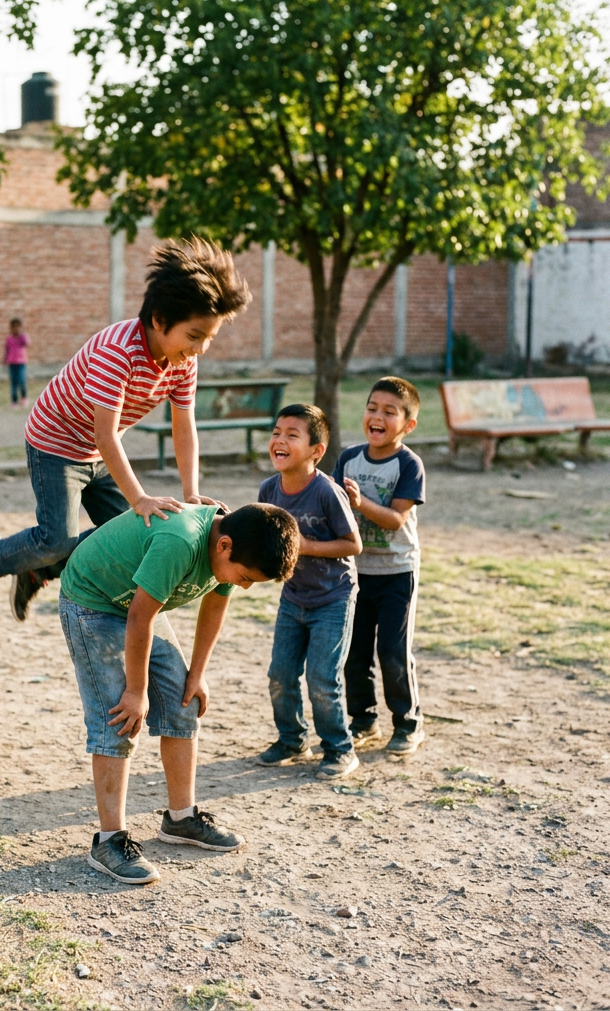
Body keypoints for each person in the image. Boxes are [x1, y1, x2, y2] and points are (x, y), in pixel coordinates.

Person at [0, 238, 252, 624]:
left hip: (99, 453)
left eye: (209, 338)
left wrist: (191, 492)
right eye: (195, 335)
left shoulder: (182, 362)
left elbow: (183, 426)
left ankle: (39, 570)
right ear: (159, 320)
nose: (201, 348)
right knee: (55, 539)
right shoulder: (118, 352)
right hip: (55, 444)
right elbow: (104, 434)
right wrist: (139, 496)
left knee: (135, 535)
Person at [59, 502, 299, 884]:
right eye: (246, 577)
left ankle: (181, 819)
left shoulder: (233, 539)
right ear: (223, 546)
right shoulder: (181, 541)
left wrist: (197, 673)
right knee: (120, 716)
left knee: (183, 704)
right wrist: (136, 691)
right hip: (94, 602)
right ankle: (109, 841)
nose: (244, 585)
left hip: (138, 606)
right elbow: (140, 616)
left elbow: (215, 604)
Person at [256, 403, 363, 781]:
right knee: (280, 674)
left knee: (322, 679)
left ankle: (340, 749)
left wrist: (306, 545)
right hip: (294, 597)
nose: (279, 440)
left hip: (333, 598)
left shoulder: (326, 492)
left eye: (291, 434)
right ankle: (291, 740)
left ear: (316, 451)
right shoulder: (269, 489)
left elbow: (353, 544)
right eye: (276, 432)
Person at [333, 377, 426, 755]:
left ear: (408, 425)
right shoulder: (348, 458)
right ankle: (363, 719)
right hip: (356, 571)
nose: (377, 416)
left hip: (396, 573)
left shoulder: (409, 464)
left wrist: (360, 504)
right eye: (372, 408)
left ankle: (407, 722)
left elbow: (395, 520)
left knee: (392, 650)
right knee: (354, 651)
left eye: (390, 412)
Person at [4, 317, 30, 407]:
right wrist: (5, 359)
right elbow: (6, 349)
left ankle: (24, 397)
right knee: (13, 383)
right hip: (12, 363)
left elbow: (27, 343)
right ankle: (14, 401)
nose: (16, 329)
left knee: (22, 381)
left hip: (21, 363)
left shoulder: (22, 337)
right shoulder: (9, 339)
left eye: (18, 327)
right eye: (14, 327)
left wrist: (22, 334)